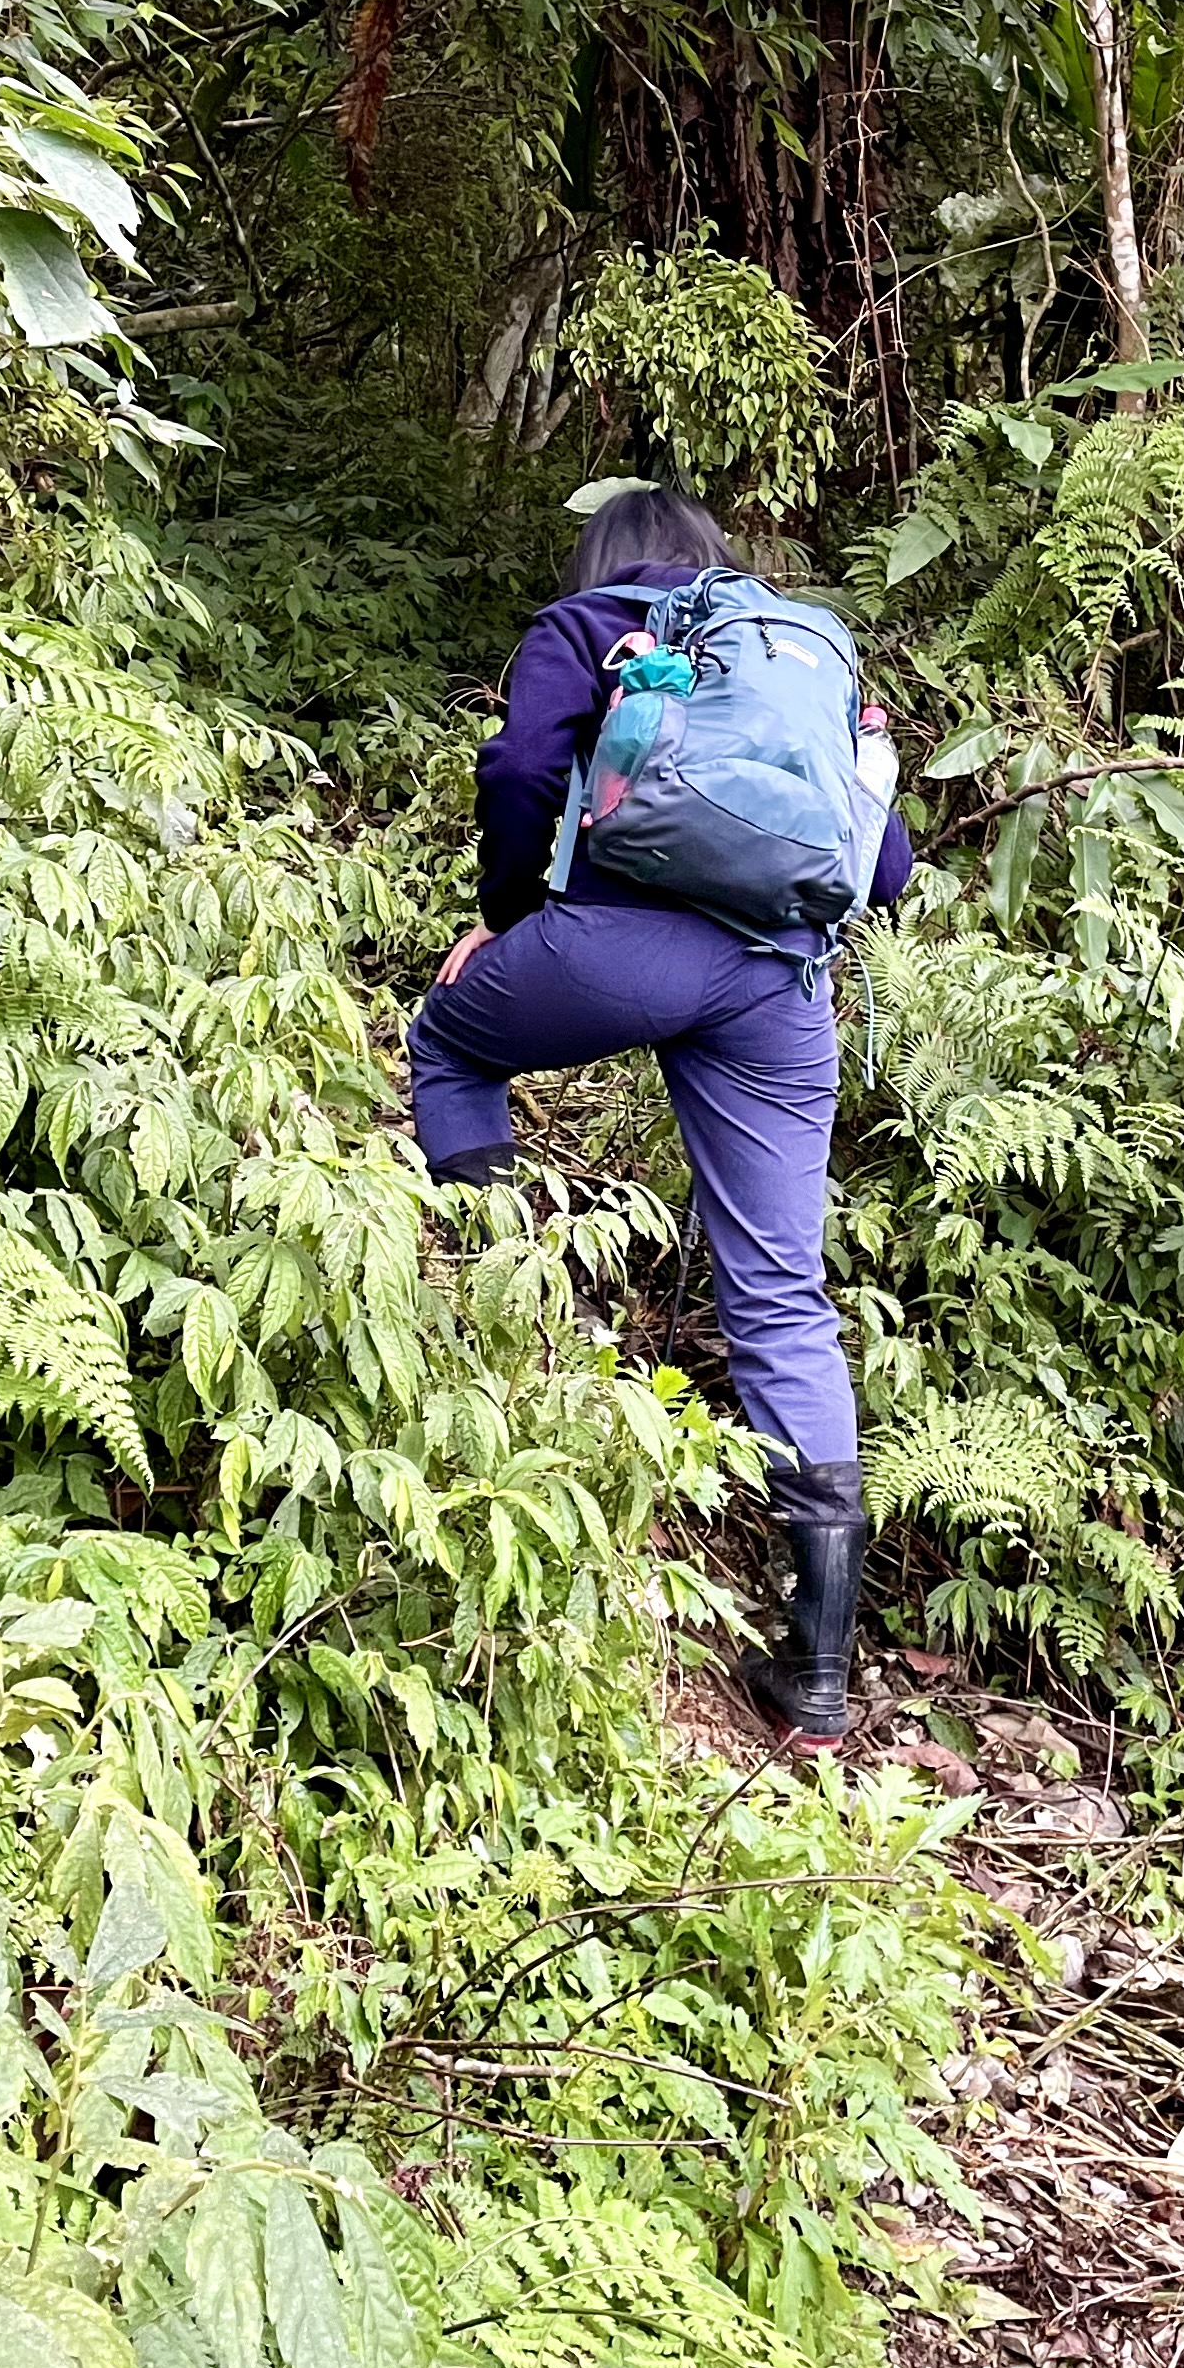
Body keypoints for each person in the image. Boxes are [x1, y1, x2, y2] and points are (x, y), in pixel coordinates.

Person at [408, 484, 913, 1750]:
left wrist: (509, 915)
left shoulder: (585, 624)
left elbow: (526, 770)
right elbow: (886, 866)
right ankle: (822, 1668)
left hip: (610, 944)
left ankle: (493, 1325)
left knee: (447, 1042)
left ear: (601, 555)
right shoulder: (792, 656)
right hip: (779, 986)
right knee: (782, 1290)